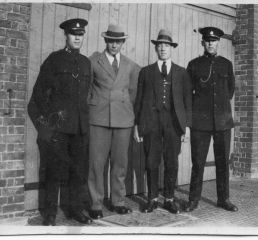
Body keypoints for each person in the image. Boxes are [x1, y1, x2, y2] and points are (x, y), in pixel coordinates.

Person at [29, 18, 93, 225]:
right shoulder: (54, 60)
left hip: (80, 128)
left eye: (80, 34)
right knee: (53, 171)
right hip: (59, 128)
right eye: (73, 34)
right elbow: (38, 96)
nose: (77, 37)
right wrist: (47, 125)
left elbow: (86, 95)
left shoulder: (86, 63)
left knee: (78, 171)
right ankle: (49, 214)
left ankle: (75, 209)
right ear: (65, 36)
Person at [134, 29, 192, 214]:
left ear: (171, 48)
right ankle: (151, 199)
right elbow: (139, 100)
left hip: (174, 124)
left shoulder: (181, 72)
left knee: (171, 162)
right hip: (151, 123)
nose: (163, 48)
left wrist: (187, 127)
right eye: (159, 45)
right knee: (152, 162)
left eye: (166, 45)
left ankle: (169, 198)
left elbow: (187, 102)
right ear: (156, 49)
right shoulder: (146, 72)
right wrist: (137, 125)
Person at [87, 24, 140, 219]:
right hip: (99, 119)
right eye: (111, 40)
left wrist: (128, 114)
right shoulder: (93, 62)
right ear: (105, 41)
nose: (114, 44)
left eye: (118, 41)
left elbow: (133, 93)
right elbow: (87, 91)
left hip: (123, 120)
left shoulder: (131, 66)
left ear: (123, 42)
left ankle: (118, 201)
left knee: (120, 164)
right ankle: (95, 204)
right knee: (96, 164)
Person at [185, 27, 238, 212]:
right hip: (201, 123)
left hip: (223, 122)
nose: (210, 43)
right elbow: (187, 94)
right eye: (207, 40)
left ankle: (223, 199)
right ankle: (193, 200)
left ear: (218, 43)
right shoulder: (194, 65)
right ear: (202, 43)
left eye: (214, 41)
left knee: (223, 162)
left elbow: (230, 90)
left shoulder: (226, 64)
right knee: (198, 162)